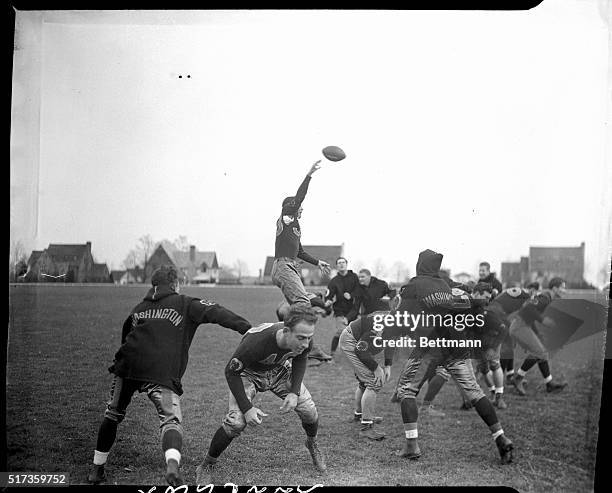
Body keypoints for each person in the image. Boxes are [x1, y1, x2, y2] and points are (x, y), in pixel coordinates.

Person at [87, 266, 252, 486]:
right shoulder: (185, 303)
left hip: (127, 366)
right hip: (160, 371)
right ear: (174, 284)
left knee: (112, 414)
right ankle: (172, 466)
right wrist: (246, 329)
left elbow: (126, 335)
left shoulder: (139, 308)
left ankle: (96, 471)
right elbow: (217, 312)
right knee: (170, 420)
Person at [392, 249, 513, 464]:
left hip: (429, 345)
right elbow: (467, 294)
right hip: (456, 344)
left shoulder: (414, 285)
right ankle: (500, 437)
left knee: (405, 390)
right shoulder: (445, 283)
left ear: (420, 264)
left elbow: (399, 313)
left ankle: (411, 445)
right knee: (475, 392)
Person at [195, 305, 326, 484]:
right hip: (248, 374)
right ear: (286, 331)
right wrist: (247, 409)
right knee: (236, 422)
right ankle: (206, 465)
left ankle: (312, 443)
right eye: (301, 338)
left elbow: (301, 357)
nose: (306, 343)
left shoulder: (304, 338)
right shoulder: (256, 343)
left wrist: (294, 393)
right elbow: (231, 372)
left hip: (279, 369)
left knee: (309, 410)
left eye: (309, 338)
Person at [271, 161, 332, 361]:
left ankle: (287, 343)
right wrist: (308, 175)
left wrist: (318, 263)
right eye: (299, 207)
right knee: (303, 302)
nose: (301, 210)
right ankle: (309, 348)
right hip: (284, 266)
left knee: (295, 309)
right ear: (291, 208)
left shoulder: (295, 229)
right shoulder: (287, 219)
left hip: (290, 267)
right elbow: (298, 199)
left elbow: (301, 252)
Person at [339, 310, 398, 440]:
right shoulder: (383, 323)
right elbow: (360, 349)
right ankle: (366, 427)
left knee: (363, 381)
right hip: (352, 342)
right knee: (373, 380)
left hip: (358, 342)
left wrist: (388, 364)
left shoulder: (396, 321)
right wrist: (376, 368)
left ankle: (360, 415)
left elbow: (391, 340)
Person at [511, 277, 568, 396]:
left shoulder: (545, 297)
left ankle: (549, 383)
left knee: (542, 353)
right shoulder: (545, 298)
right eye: (562, 287)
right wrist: (543, 320)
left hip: (523, 325)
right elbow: (528, 309)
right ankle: (518, 378)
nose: (564, 290)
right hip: (519, 327)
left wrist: (537, 333)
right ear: (555, 288)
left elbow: (529, 314)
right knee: (540, 353)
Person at [325, 257, 360, 359]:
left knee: (355, 333)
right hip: (339, 311)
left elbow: (360, 291)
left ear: (346, 264)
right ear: (337, 266)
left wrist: (351, 295)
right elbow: (329, 295)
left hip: (353, 310)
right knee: (341, 331)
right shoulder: (334, 281)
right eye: (339, 263)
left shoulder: (354, 277)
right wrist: (328, 300)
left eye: (343, 262)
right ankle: (331, 355)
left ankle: (356, 354)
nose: (341, 264)